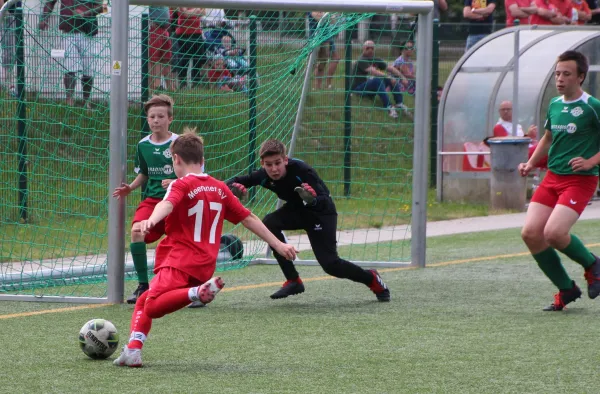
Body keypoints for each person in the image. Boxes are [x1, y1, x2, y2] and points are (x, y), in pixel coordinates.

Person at [113, 130, 298, 367]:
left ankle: (197, 293)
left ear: (176, 160)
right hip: (205, 264)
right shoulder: (220, 188)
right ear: (202, 161)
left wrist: (150, 219)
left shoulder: (180, 184)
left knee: (151, 304)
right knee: (144, 300)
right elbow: (248, 217)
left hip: (179, 260)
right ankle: (133, 350)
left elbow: (167, 205)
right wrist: (279, 244)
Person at [226, 139, 391, 302]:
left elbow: (325, 200)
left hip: (320, 214)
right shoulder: (262, 175)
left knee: (330, 265)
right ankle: (293, 281)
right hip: (296, 211)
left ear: (285, 160)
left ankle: (371, 278)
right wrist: (234, 188)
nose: (274, 169)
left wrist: (313, 200)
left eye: (278, 163)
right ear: (262, 163)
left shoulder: (302, 170)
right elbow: (232, 183)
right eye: (269, 164)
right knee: (269, 222)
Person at [519, 50, 600, 311]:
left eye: (567, 73)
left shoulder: (592, 107)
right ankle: (567, 289)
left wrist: (590, 161)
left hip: (580, 181)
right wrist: (531, 163)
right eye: (557, 73)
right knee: (531, 234)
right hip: (552, 178)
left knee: (554, 233)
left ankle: (592, 264)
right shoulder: (554, 104)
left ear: (581, 77)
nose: (560, 79)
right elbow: (548, 138)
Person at [112, 95, 179, 304]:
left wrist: (176, 181)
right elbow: (145, 173)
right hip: (152, 200)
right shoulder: (143, 145)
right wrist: (130, 187)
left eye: (161, 116)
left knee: (179, 242)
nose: (156, 120)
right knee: (136, 231)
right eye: (152, 116)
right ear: (147, 119)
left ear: (170, 119)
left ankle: (184, 284)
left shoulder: (179, 143)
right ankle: (143, 285)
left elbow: (192, 172)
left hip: (177, 201)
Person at [39, 0, 103, 109]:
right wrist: (44, 18)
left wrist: (85, 13)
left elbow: (103, 7)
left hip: (87, 33)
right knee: (70, 67)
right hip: (68, 31)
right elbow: (50, 2)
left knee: (88, 69)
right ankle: (69, 101)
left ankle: (86, 101)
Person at [351, 40, 410, 119]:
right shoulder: (361, 60)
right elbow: (373, 71)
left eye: (372, 48)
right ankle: (389, 107)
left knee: (391, 78)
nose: (370, 50)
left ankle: (399, 103)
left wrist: (402, 78)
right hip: (358, 90)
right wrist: (389, 77)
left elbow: (391, 69)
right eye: (367, 48)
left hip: (369, 89)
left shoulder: (376, 59)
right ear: (363, 48)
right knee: (378, 80)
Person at [308, 11, 340, 90]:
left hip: (327, 37)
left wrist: (328, 16)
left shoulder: (325, 6)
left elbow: (333, 20)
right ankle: (310, 86)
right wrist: (328, 16)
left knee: (326, 61)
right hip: (316, 39)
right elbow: (319, 17)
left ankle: (323, 85)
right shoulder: (312, 6)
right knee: (312, 63)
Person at [148, 6, 174, 92]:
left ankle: (170, 88)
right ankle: (153, 88)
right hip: (156, 28)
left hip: (165, 29)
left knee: (166, 60)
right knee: (153, 60)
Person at [0, 0, 18, 97]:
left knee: (10, 53)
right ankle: (10, 88)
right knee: (8, 53)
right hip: (5, 17)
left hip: (11, 17)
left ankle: (11, 89)